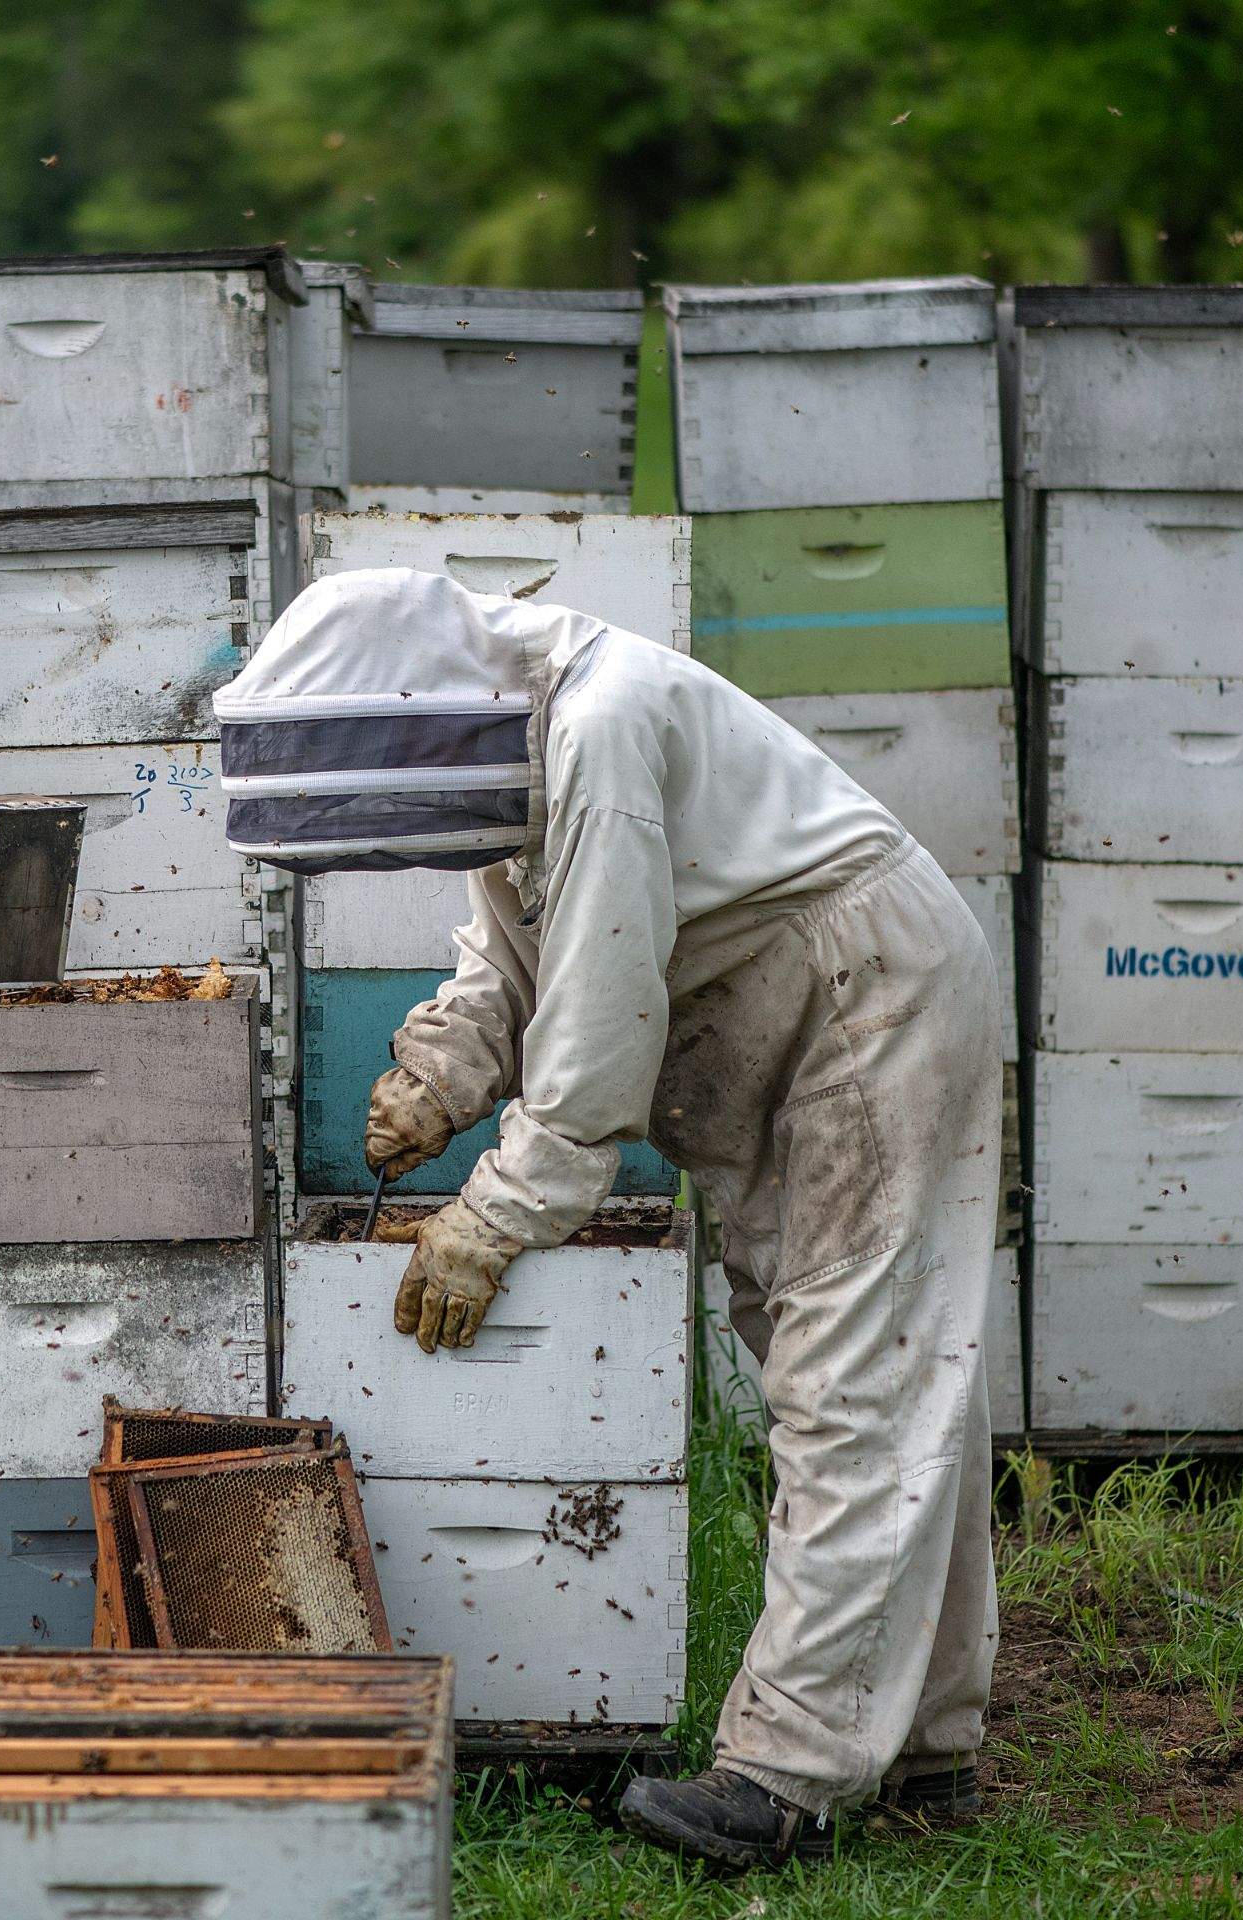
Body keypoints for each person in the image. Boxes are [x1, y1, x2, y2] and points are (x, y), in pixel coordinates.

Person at [211, 568, 1006, 1867]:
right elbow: (518, 936)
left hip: (861, 1009)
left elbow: (595, 1023)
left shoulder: (601, 725)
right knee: (887, 1370)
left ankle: (782, 1780)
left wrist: (493, 1216)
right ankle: (925, 1751)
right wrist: (440, 1070)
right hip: (789, 1016)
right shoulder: (529, 725)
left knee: (854, 1380)